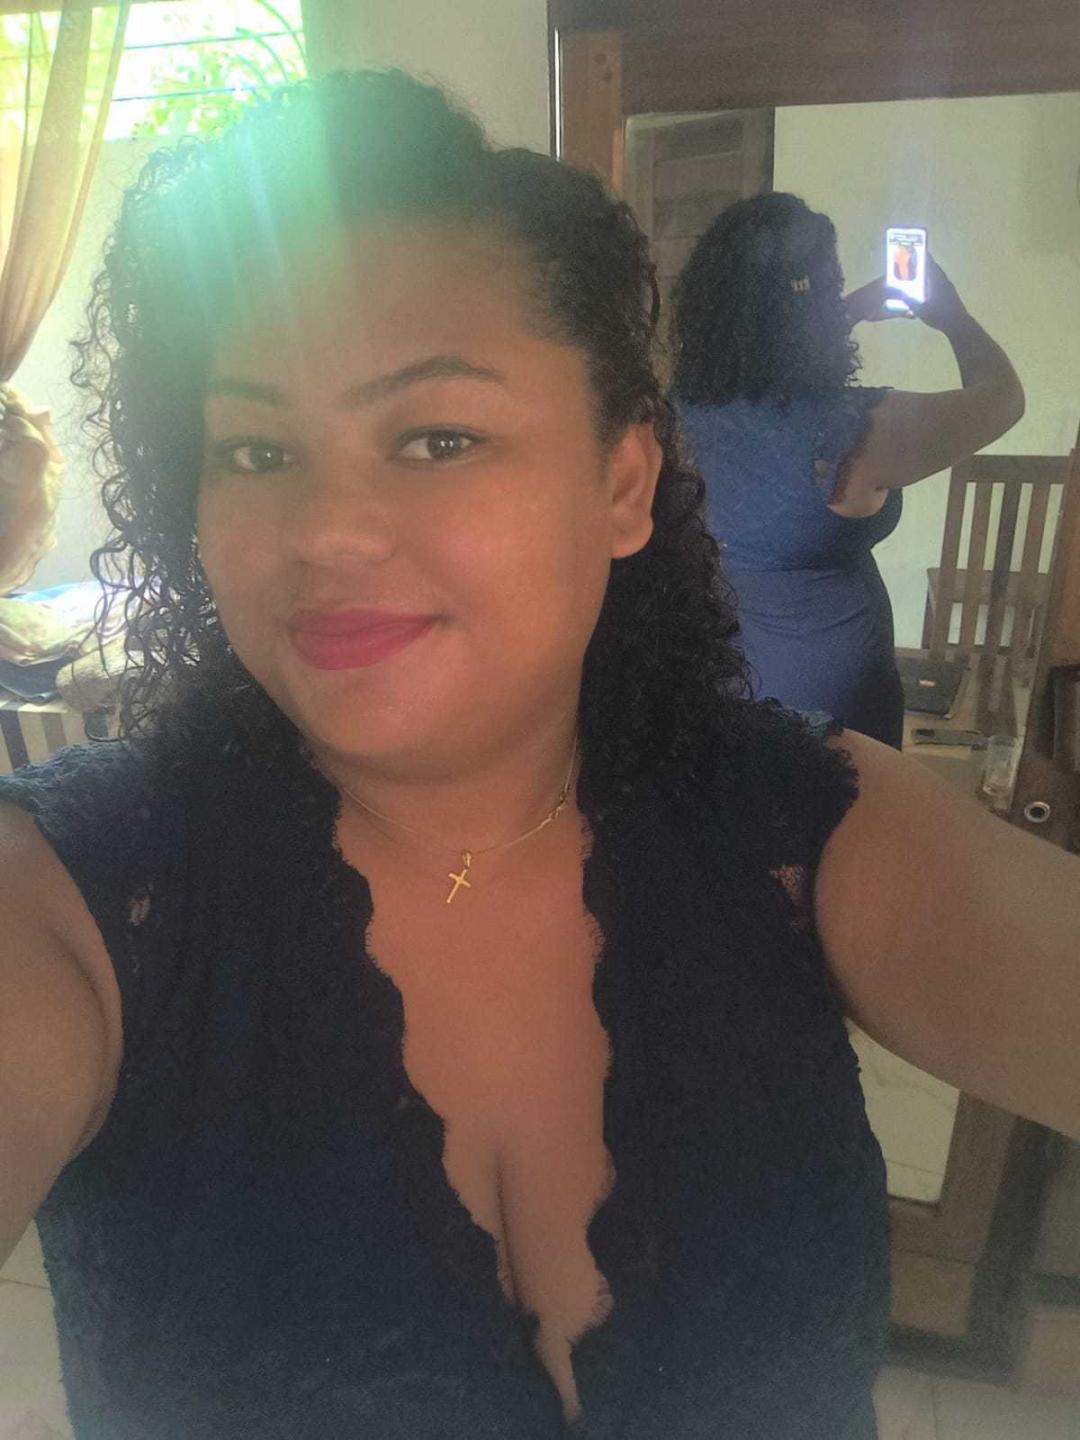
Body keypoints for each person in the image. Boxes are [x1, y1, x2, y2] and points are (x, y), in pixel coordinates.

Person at [0, 73, 1075, 1440]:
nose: (323, 529)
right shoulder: (82, 901)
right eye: (258, 450)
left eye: (437, 437)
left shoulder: (805, 826)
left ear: (623, 483)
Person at [671, 192, 1025, 749]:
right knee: (842, 800)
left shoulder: (683, 412)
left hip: (730, 678)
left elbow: (764, 339)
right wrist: (953, 317)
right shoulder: (857, 430)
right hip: (835, 703)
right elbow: (1003, 399)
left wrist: (847, 310)